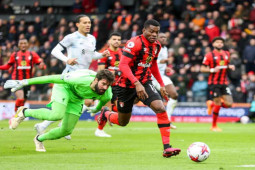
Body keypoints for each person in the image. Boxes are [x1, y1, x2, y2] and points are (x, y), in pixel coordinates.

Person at [96, 19, 181, 158]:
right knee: (123, 122)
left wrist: (161, 84)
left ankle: (167, 148)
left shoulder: (157, 46)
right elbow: (123, 65)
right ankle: (106, 114)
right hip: (125, 85)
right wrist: (136, 83)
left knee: (160, 108)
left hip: (145, 82)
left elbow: (152, 65)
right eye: (151, 31)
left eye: (157, 32)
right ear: (144, 31)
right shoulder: (134, 43)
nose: (154, 34)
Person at [34, 15, 110, 138]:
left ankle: (46, 125)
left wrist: (101, 55)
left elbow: (90, 55)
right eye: (84, 22)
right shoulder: (71, 37)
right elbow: (55, 51)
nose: (88, 25)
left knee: (85, 102)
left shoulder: (92, 38)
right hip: (71, 76)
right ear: (77, 24)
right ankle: (55, 125)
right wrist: (66, 59)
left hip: (85, 77)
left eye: (89, 23)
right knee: (82, 102)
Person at [5, 69, 114, 152]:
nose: (105, 88)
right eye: (103, 84)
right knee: (56, 115)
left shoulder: (107, 94)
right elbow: (52, 78)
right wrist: (25, 82)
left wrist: (95, 109)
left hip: (77, 99)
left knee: (66, 131)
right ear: (96, 80)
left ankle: (39, 139)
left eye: (108, 85)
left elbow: (101, 103)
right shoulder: (79, 79)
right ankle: (24, 112)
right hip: (64, 88)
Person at [0, 38, 45, 112]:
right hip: (17, 80)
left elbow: (42, 65)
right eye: (21, 43)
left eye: (25, 43)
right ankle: (15, 115)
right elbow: (7, 66)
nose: (23, 45)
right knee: (20, 98)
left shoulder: (32, 54)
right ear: (18, 45)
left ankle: (19, 114)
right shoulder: (14, 55)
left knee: (23, 101)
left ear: (28, 44)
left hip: (28, 81)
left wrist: (42, 66)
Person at [200, 37, 235, 132]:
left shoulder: (227, 54)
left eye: (221, 42)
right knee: (218, 103)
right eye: (217, 42)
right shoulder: (209, 55)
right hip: (213, 83)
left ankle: (211, 104)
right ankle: (214, 126)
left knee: (229, 104)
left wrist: (230, 66)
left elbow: (225, 65)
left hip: (224, 82)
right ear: (213, 44)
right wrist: (212, 70)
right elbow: (202, 69)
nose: (219, 44)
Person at [96, 32, 122, 137]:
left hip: (119, 85)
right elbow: (101, 72)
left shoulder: (123, 53)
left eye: (119, 39)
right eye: (114, 39)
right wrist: (114, 72)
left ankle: (97, 111)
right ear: (109, 41)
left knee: (118, 110)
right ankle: (99, 130)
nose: (116, 41)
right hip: (108, 86)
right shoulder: (104, 53)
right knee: (109, 109)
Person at [152, 32, 178, 129]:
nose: (163, 39)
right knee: (136, 99)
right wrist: (160, 61)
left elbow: (161, 64)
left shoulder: (165, 49)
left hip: (160, 76)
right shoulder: (153, 47)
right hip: (149, 77)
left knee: (174, 95)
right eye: (161, 37)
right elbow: (148, 60)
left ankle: (168, 119)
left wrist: (166, 68)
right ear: (156, 38)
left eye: (165, 37)